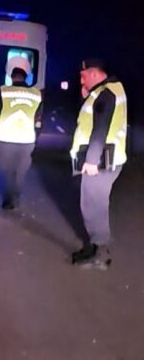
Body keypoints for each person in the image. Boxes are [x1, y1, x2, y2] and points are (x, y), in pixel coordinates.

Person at [69, 59, 127, 270]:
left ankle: (100, 253)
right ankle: (94, 247)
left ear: (94, 74)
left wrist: (92, 161)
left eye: (83, 75)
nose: (81, 79)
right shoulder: (111, 89)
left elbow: (100, 128)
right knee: (94, 204)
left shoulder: (105, 94)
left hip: (101, 159)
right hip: (108, 157)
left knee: (93, 206)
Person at [0, 62, 42, 210]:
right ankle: (16, 195)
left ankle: (9, 199)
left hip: (7, 137)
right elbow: (38, 114)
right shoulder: (36, 93)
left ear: (12, 78)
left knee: (6, 170)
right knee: (21, 170)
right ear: (26, 78)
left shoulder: (4, 90)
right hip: (26, 139)